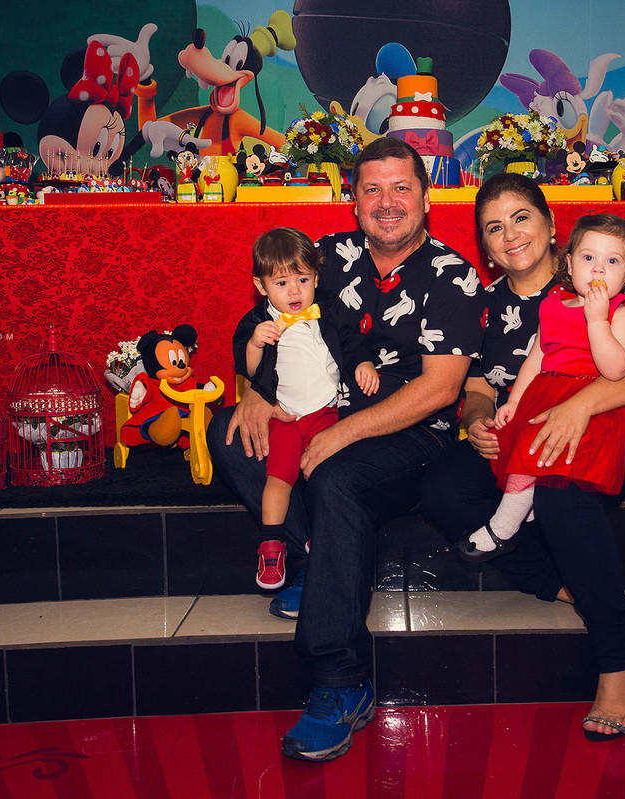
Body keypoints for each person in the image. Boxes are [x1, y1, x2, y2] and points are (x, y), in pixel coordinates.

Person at [206, 137, 484, 761]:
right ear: (353, 201)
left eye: (401, 188)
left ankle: (339, 679)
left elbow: (441, 391)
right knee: (230, 433)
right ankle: (313, 559)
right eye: (372, 189)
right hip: (319, 412)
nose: (387, 202)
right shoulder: (325, 257)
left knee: (336, 476)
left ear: (427, 198)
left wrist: (345, 432)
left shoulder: (454, 276)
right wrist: (255, 391)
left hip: (414, 434)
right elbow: (268, 322)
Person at [420, 174, 625, 742]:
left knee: (558, 498)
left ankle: (619, 657)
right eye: (494, 227)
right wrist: (479, 420)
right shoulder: (480, 305)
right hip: (520, 433)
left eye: (521, 217)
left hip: (597, 431)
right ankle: (560, 582)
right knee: (443, 488)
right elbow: (477, 383)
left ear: (553, 227)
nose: (510, 234)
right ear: (485, 245)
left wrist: (579, 407)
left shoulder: (597, 270)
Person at [457, 212, 625, 560]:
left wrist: (597, 322)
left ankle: (503, 527)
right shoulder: (553, 305)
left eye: (612, 261)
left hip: (594, 407)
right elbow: (536, 359)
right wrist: (514, 402)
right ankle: (524, 506)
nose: (599, 269)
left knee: (538, 456)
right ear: (570, 264)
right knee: (526, 451)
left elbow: (616, 370)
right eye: (588, 257)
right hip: (545, 396)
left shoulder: (622, 314)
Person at [234, 227, 378, 590]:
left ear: (316, 277)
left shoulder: (326, 307)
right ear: (261, 285)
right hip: (286, 416)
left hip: (328, 412)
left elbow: (351, 339)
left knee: (325, 476)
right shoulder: (256, 323)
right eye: (281, 283)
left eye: (303, 279)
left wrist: (363, 363)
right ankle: (271, 544)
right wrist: (255, 344)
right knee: (279, 479)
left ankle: (323, 534)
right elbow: (249, 371)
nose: (295, 292)